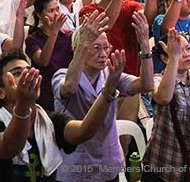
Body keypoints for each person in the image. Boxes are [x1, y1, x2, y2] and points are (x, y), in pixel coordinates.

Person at [0, 45, 126, 182]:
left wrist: (108, 89)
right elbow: (11, 147)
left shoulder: (48, 120)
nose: (27, 75)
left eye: (30, 70)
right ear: (0, 92)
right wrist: (23, 105)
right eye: (18, 73)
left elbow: (84, 132)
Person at [52, 10, 154, 182]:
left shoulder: (109, 74)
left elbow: (146, 85)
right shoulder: (61, 75)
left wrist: (144, 45)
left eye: (106, 47)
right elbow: (69, 88)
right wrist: (83, 43)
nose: (102, 53)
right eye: (96, 47)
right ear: (80, 49)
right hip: (76, 164)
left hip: (107, 162)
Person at [142, 28, 190, 182]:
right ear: (165, 58)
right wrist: (174, 58)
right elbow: (164, 97)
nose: (186, 54)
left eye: (188, 48)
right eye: (179, 51)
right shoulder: (158, 80)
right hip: (162, 168)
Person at [25, 0, 75, 110]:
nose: (56, 14)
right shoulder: (33, 39)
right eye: (51, 11)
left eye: (57, 9)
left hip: (67, 93)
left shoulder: (68, 35)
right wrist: (54, 32)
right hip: (46, 96)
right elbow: (43, 61)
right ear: (39, 15)